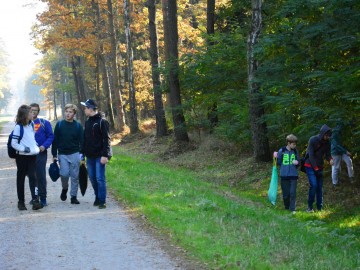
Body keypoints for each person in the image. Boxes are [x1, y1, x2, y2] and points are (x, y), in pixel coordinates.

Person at [81, 99, 111, 209]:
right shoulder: (87, 122)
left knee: (99, 178)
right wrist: (82, 154)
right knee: (92, 178)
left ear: (90, 108)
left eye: (85, 108)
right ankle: (97, 196)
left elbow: (106, 139)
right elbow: (85, 139)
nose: (84, 110)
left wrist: (105, 155)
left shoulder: (102, 122)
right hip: (90, 156)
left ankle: (102, 200)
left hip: (100, 156)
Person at [11, 105, 43, 211]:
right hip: (21, 157)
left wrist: (35, 146)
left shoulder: (32, 124)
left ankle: (35, 201)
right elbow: (14, 143)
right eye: (30, 112)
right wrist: (25, 149)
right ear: (25, 114)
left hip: (32, 157)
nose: (32, 113)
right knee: (21, 179)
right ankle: (21, 202)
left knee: (33, 178)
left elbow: (31, 138)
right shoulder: (18, 127)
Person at [51, 104, 84, 204]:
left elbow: (82, 142)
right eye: (66, 111)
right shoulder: (59, 125)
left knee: (75, 176)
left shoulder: (78, 126)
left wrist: (82, 156)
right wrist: (54, 154)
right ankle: (64, 188)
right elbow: (55, 140)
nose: (68, 114)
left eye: (70, 112)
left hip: (74, 153)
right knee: (64, 174)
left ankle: (73, 196)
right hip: (62, 154)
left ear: (74, 114)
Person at [304, 124, 333, 212]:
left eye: (329, 136)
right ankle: (309, 207)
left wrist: (330, 159)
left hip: (319, 167)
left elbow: (328, 155)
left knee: (319, 187)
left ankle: (319, 208)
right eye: (327, 135)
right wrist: (315, 168)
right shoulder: (313, 140)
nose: (328, 137)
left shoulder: (327, 143)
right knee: (314, 185)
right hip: (310, 165)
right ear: (323, 134)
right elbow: (311, 155)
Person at [30, 103, 54, 207]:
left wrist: (44, 146)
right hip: (28, 154)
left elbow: (50, 136)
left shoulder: (44, 123)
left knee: (40, 175)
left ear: (38, 111)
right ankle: (35, 197)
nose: (33, 112)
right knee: (32, 176)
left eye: (35, 110)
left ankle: (43, 198)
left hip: (41, 153)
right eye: (31, 110)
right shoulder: (25, 123)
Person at [276, 134, 299, 214]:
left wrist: (297, 163)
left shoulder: (295, 151)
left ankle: (292, 209)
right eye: (293, 144)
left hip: (293, 175)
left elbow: (298, 162)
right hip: (284, 175)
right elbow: (278, 162)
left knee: (292, 193)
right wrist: (275, 157)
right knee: (286, 194)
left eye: (295, 144)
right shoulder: (281, 151)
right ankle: (286, 207)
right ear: (288, 143)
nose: (295, 145)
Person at [331, 122, 354, 187]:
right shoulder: (334, 133)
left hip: (342, 151)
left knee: (349, 161)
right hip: (335, 153)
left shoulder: (342, 132)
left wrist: (345, 150)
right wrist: (345, 151)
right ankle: (335, 183)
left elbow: (342, 143)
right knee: (336, 167)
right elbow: (336, 145)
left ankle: (351, 177)